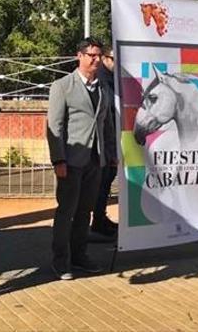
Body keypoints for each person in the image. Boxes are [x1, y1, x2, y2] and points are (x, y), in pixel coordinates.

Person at [46, 37, 116, 280]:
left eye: (98, 55)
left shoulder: (104, 89)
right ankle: (60, 261)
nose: (96, 60)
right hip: (71, 160)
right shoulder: (62, 86)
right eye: (91, 55)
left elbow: (106, 124)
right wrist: (58, 160)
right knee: (67, 211)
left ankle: (80, 256)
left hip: (96, 160)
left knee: (85, 211)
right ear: (80, 56)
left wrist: (111, 154)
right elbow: (54, 127)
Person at [91, 48, 118, 237]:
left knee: (107, 178)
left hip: (110, 137)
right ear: (106, 59)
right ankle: (97, 221)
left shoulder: (110, 78)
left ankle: (100, 218)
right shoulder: (101, 78)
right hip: (101, 140)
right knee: (101, 181)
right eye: (114, 59)